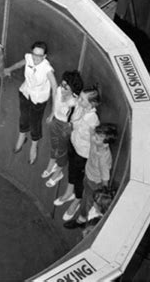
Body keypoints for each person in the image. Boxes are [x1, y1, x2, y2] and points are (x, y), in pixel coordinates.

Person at [5, 41, 57, 165]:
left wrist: (53, 111)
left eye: (39, 56)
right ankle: (22, 136)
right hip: (25, 92)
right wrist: (9, 69)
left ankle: (34, 145)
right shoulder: (29, 58)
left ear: (44, 57)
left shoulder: (47, 69)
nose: (36, 58)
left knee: (35, 122)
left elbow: (55, 88)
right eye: (34, 54)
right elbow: (20, 63)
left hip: (38, 99)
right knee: (23, 117)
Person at [53, 87, 101, 222]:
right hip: (74, 145)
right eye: (79, 97)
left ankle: (77, 200)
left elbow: (93, 140)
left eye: (82, 99)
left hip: (83, 153)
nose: (79, 100)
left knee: (79, 179)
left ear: (92, 104)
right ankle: (69, 193)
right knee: (71, 171)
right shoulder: (80, 108)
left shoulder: (92, 119)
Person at [64, 123, 117, 230]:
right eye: (95, 135)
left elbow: (105, 178)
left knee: (87, 202)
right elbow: (92, 130)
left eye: (97, 138)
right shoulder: (97, 141)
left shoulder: (103, 158)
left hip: (94, 182)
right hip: (88, 174)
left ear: (106, 144)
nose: (93, 138)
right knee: (85, 194)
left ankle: (81, 220)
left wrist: (103, 190)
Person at [43, 70, 83, 188]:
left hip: (65, 126)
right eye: (62, 84)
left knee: (62, 150)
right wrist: (51, 115)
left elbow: (76, 118)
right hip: (56, 121)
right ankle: (52, 164)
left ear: (72, 89)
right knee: (54, 145)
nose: (63, 88)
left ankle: (58, 172)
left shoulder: (74, 102)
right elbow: (55, 103)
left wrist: (69, 129)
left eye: (66, 86)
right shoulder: (60, 91)